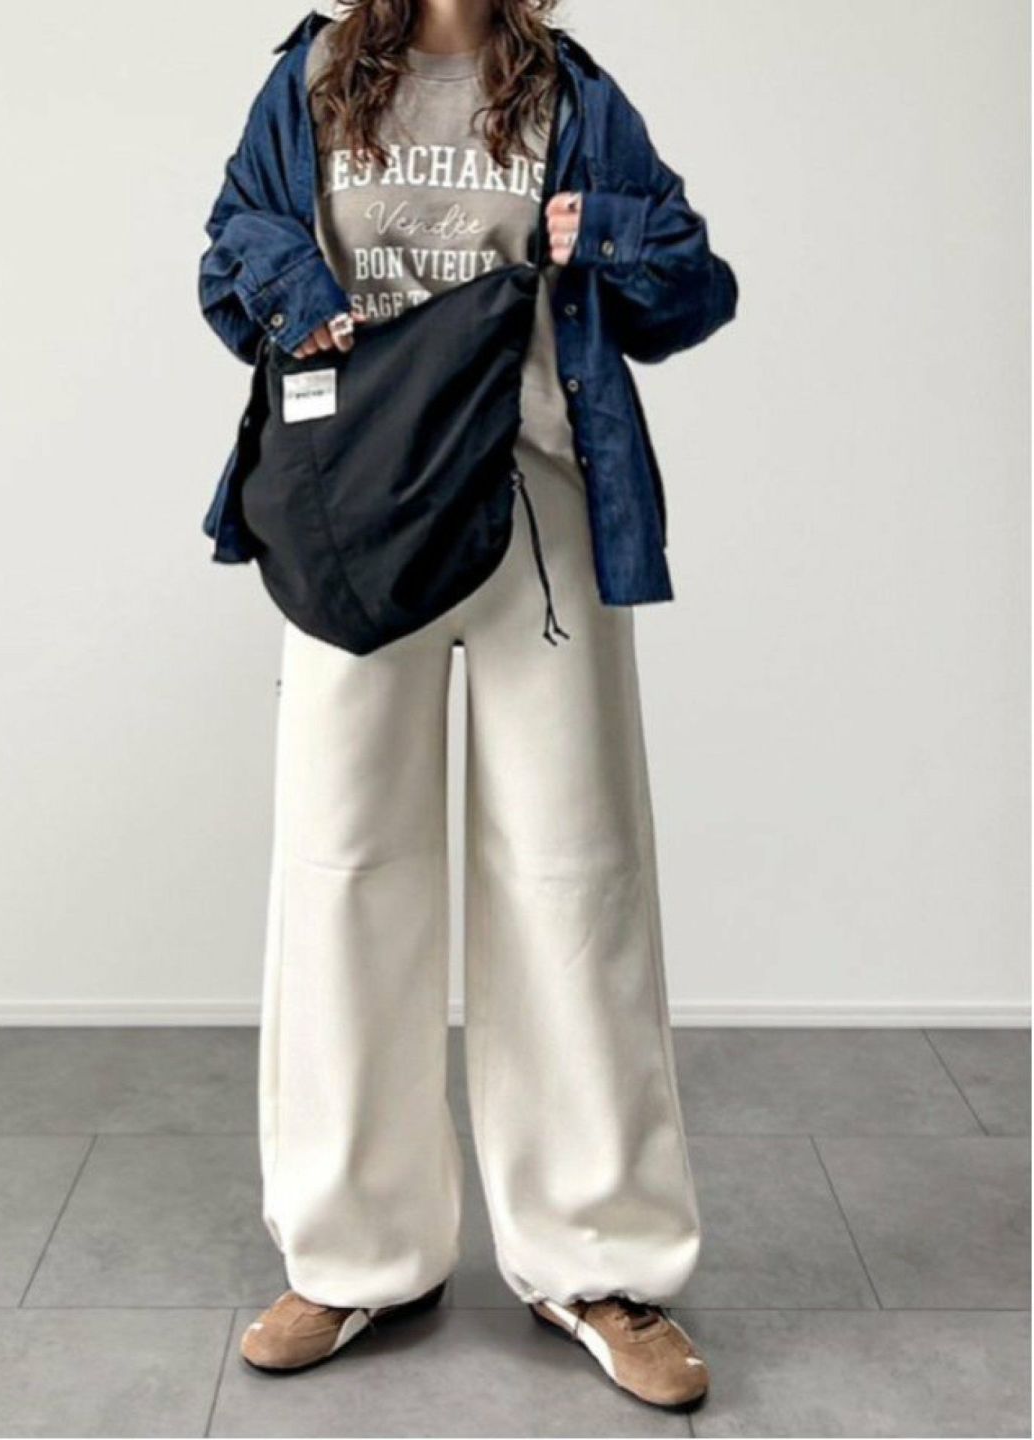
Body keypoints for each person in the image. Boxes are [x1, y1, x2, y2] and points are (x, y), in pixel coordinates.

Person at [197, 0, 737, 1410]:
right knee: (344, 875)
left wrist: (600, 235)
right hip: (357, 519)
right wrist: (294, 283)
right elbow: (225, 264)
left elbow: (695, 292)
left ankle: (598, 1262)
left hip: (538, 520)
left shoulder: (572, 90)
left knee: (572, 882)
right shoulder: (315, 78)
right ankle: (353, 1256)